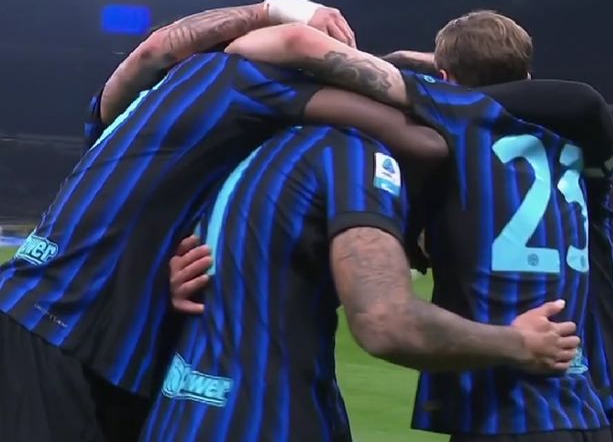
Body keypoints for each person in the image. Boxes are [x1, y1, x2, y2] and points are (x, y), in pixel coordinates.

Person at [0, 0, 441, 441]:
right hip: (65, 328)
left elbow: (156, 49)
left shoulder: (142, 107)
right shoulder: (238, 79)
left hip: (59, 322)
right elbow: (412, 134)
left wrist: (270, 9)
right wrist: (459, 105)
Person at [223, 17, 613, 441]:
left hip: (508, 415)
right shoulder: (571, 142)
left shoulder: (456, 112)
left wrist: (277, 11)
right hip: (583, 410)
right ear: (528, 73)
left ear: (445, 77)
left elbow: (284, 41)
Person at [140, 123, 579, 441]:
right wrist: (519, 343)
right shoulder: (354, 153)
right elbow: (387, 322)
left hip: (180, 411)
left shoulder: (249, 149)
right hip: (265, 420)